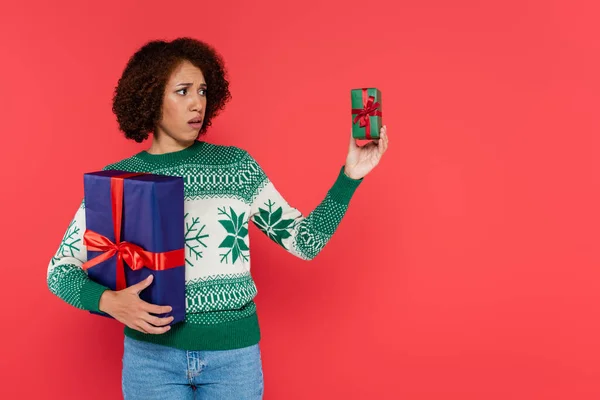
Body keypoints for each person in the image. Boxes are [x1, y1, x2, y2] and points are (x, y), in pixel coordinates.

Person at [47, 37, 389, 399]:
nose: (197, 103)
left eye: (203, 90)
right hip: (151, 360)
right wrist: (107, 301)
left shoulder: (237, 167)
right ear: (151, 99)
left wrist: (350, 177)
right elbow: (59, 270)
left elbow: (305, 242)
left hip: (233, 360)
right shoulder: (119, 182)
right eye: (182, 91)